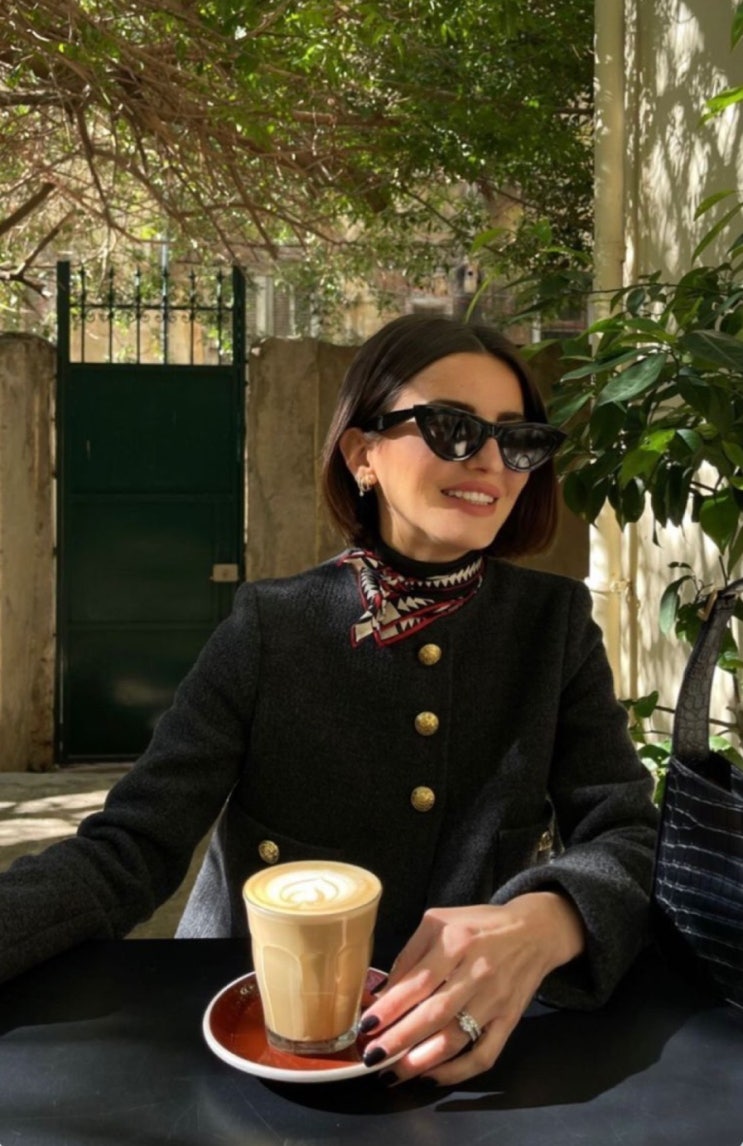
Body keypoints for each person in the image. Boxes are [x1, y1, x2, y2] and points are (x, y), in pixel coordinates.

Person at [0, 313, 658, 1087]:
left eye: (515, 438)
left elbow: (626, 832)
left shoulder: (552, 626)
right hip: (254, 1030)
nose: (489, 459)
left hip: (458, 1039)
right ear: (361, 454)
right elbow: (131, 849)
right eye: (451, 427)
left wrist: (548, 917)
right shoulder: (270, 626)